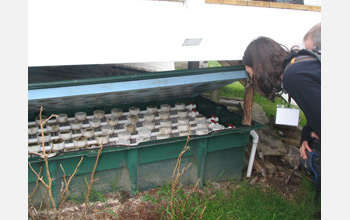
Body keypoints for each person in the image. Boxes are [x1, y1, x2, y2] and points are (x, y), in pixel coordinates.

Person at [242, 24, 321, 201]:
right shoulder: (298, 65)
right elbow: (316, 110)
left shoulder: (295, 76)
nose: (252, 78)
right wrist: (308, 134)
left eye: (250, 72)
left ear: (260, 67)